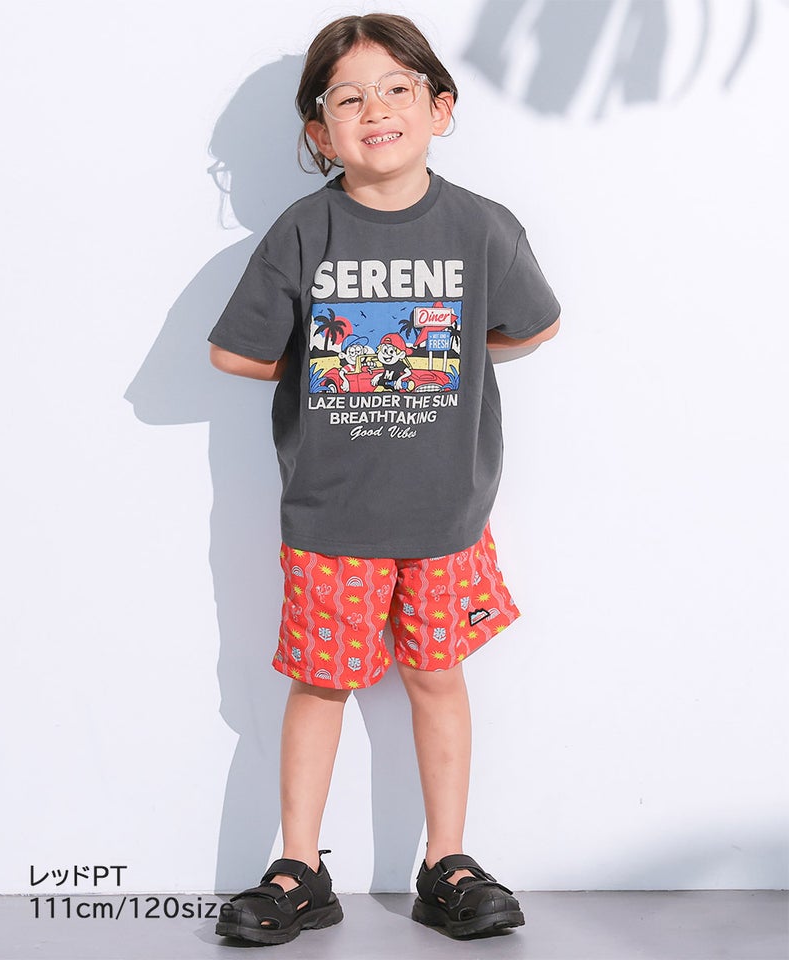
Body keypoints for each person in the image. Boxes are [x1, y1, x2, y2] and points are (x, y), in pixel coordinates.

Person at [208, 12, 560, 946]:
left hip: (445, 515)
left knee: (437, 678)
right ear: (319, 132)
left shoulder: (481, 226)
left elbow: (534, 326)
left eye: (398, 89)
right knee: (320, 686)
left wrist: (443, 356)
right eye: (349, 97)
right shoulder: (305, 230)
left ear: (438, 108)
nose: (376, 109)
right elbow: (234, 353)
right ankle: (300, 867)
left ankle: (448, 862)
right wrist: (337, 362)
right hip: (332, 517)